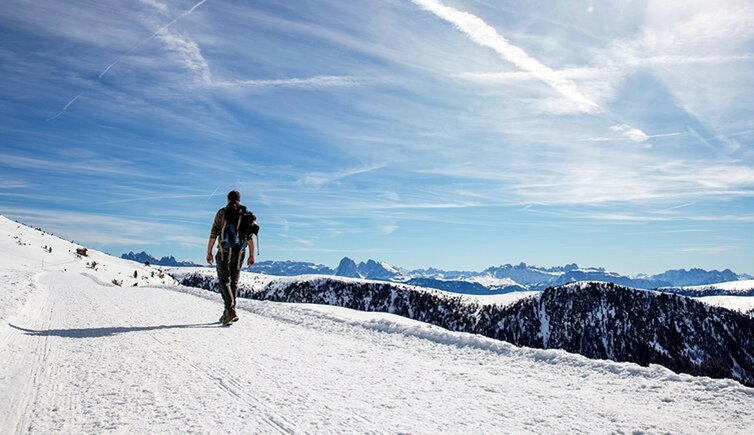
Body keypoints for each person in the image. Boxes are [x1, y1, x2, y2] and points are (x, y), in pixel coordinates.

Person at [206, 190, 255, 325]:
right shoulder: (246, 214)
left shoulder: (222, 213)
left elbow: (214, 233)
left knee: (224, 281)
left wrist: (209, 252)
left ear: (228, 199)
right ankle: (227, 313)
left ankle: (231, 312)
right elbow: (250, 238)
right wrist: (251, 255)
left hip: (224, 252)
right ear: (239, 199)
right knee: (233, 283)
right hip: (240, 253)